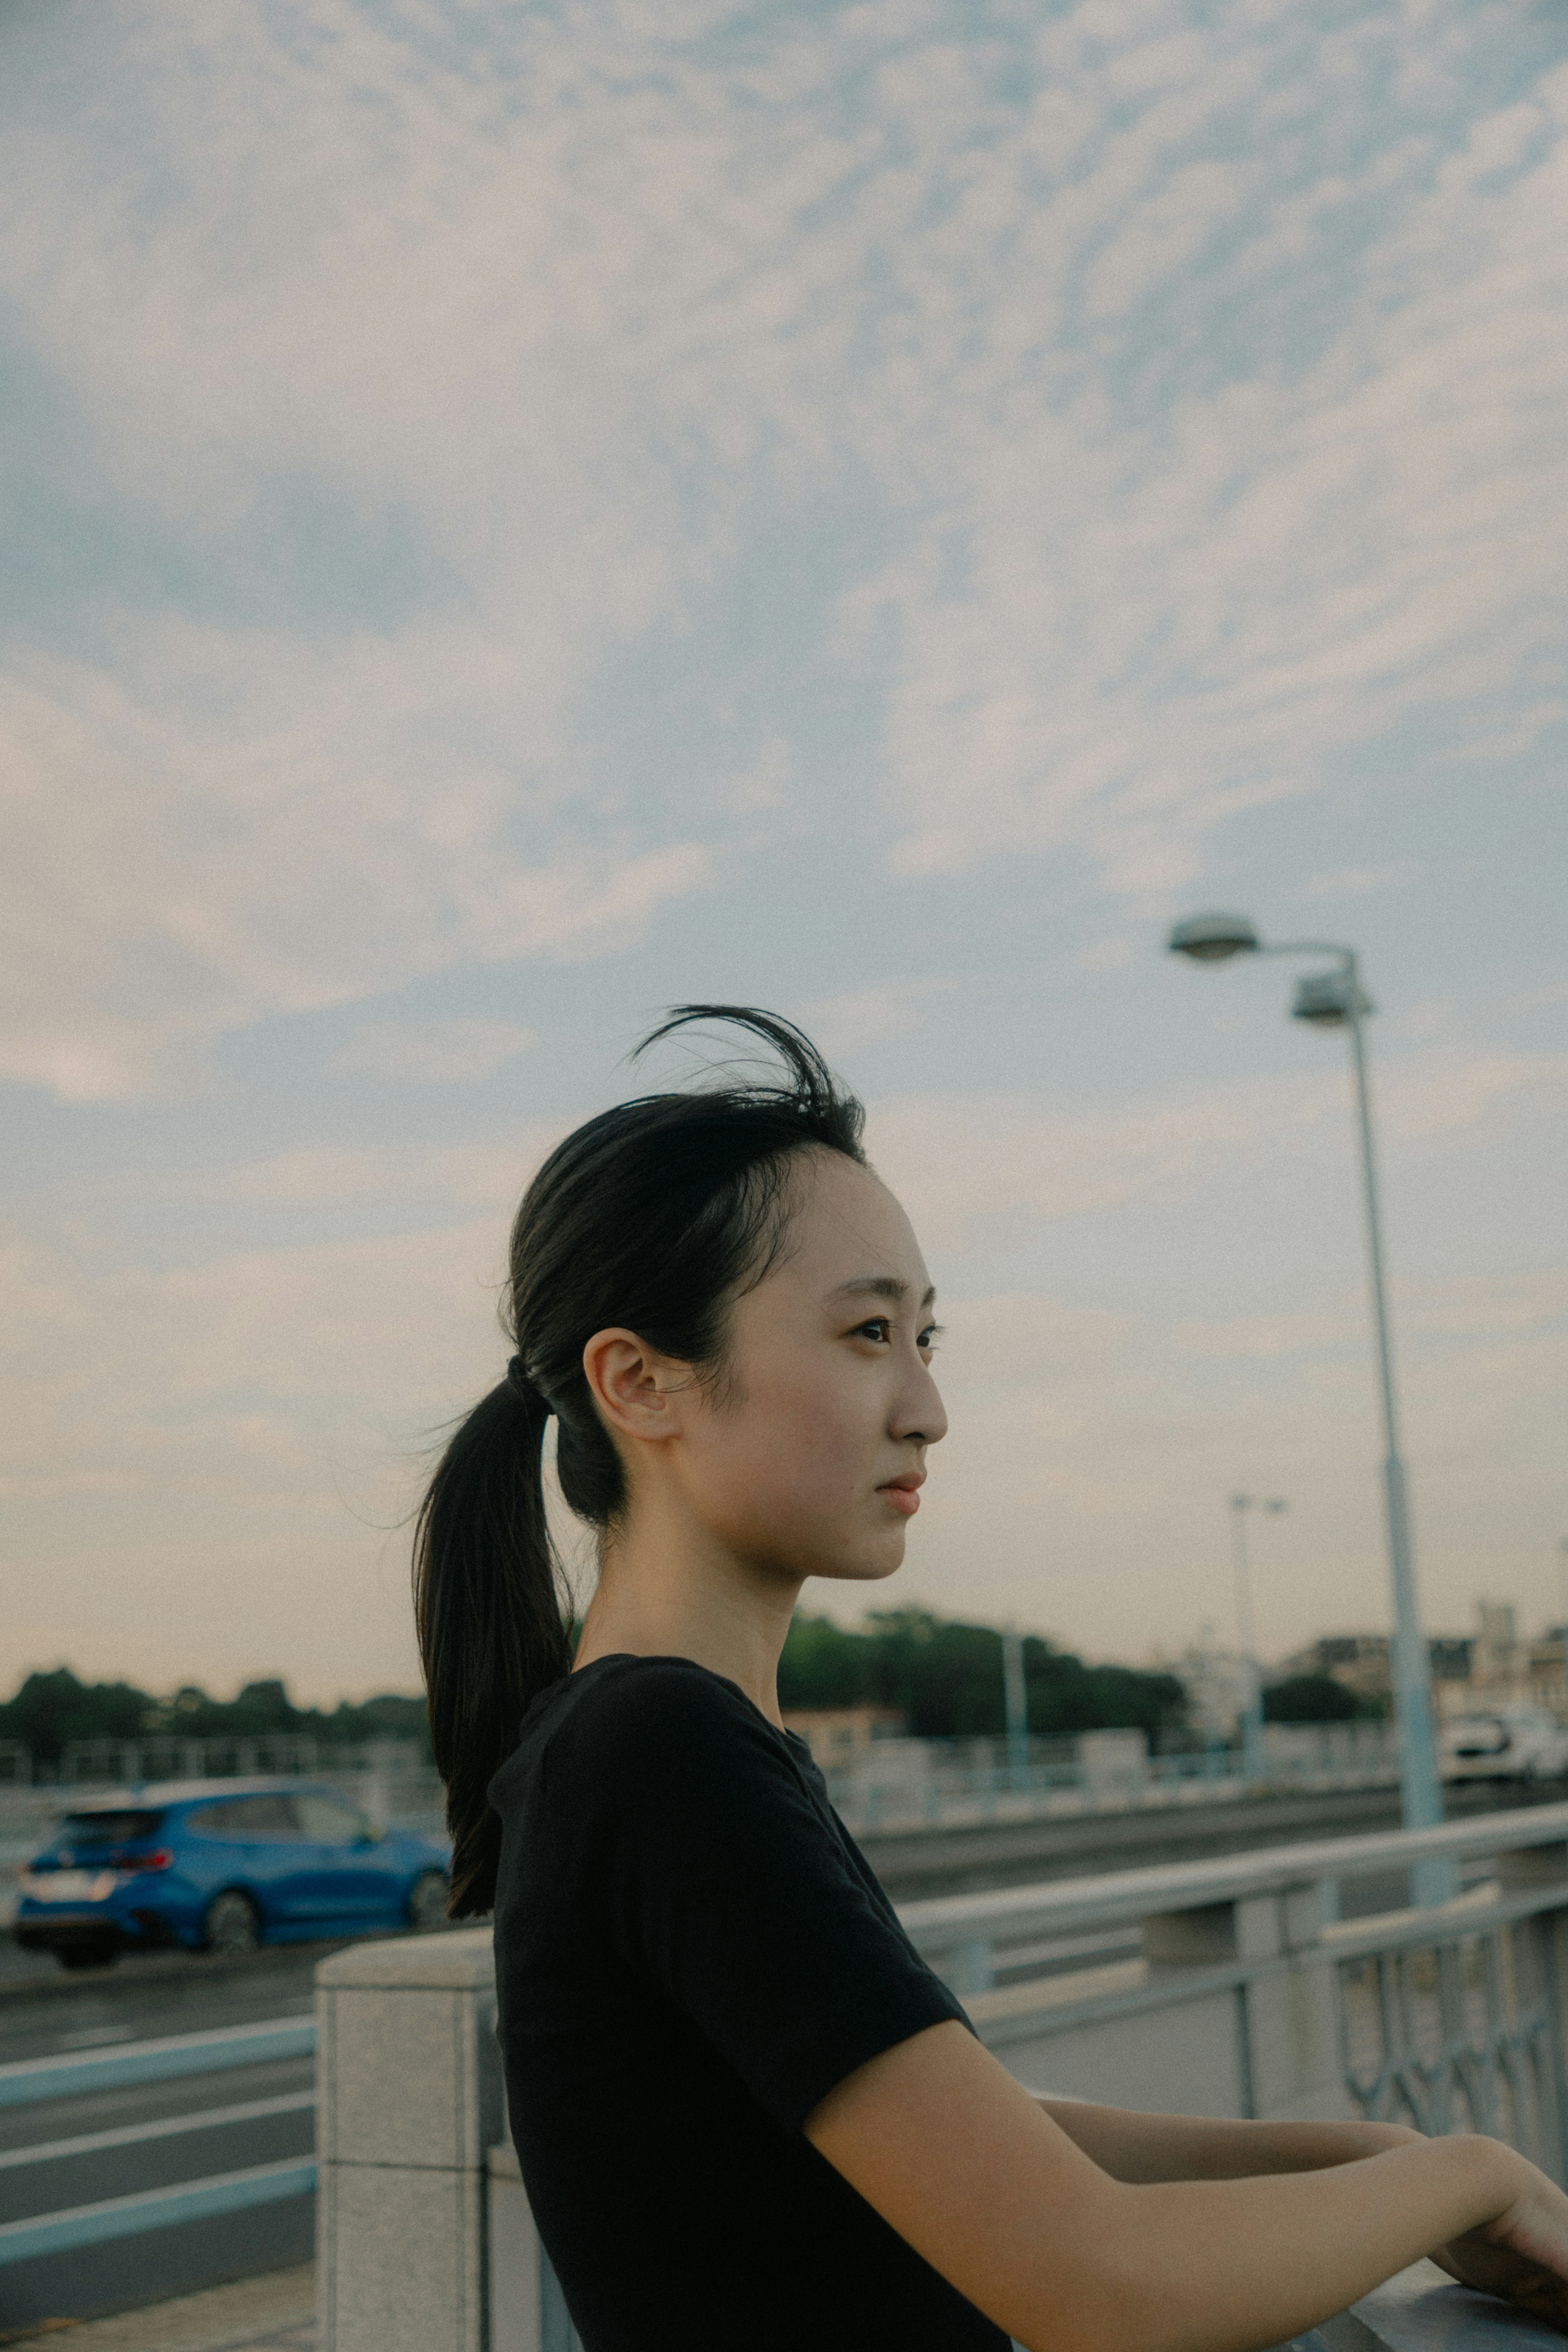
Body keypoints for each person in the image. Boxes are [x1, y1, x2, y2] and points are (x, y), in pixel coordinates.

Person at [414, 1004, 1568, 2352]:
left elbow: (969, 2143)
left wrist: (1353, 2158)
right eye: (865, 1335)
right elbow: (1095, 2285)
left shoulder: (647, 1734)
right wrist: (1470, 2173)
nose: (926, 1407)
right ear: (644, 1383)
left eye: (927, 1337)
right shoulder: (660, 1747)